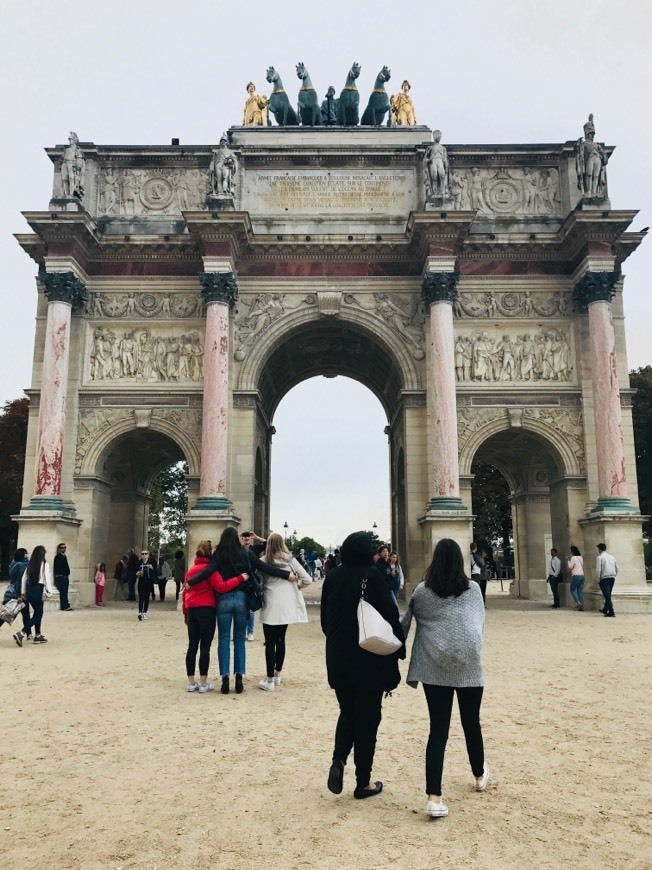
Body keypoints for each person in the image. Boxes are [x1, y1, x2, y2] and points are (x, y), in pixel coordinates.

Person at [401, 538, 489, 818]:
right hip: (468, 664)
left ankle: (434, 797)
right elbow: (479, 624)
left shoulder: (422, 591)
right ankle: (478, 774)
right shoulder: (473, 589)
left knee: (438, 730)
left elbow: (404, 626)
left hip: (434, 666)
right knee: (471, 722)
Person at [321, 531, 405, 800]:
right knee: (368, 720)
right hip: (368, 658)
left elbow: (325, 620)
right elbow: (390, 616)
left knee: (347, 712)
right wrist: (399, 647)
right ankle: (363, 782)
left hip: (338, 658)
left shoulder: (332, 576)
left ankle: (338, 760)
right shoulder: (373, 574)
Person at [186, 526, 296, 695]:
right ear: (236, 539)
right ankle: (238, 678)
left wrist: (191, 582)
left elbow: (208, 571)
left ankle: (224, 678)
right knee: (239, 640)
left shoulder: (219, 555)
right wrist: (286, 575)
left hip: (223, 600)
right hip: (241, 600)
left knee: (223, 640)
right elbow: (265, 567)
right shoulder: (246, 553)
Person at [182, 540, 248, 693]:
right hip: (206, 609)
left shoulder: (191, 570)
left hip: (192, 609)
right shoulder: (210, 570)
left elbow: (185, 592)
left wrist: (185, 612)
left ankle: (191, 682)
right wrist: (239, 578)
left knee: (192, 646)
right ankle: (203, 683)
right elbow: (221, 586)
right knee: (205, 647)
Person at [257, 533, 312, 692]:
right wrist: (297, 585)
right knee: (281, 639)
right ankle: (277, 674)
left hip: (271, 602)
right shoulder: (291, 560)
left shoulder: (263, 561)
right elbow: (307, 579)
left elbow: (258, 581)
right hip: (287, 603)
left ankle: (269, 680)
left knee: (270, 642)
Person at [13, 545, 53, 646]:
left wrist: (23, 593)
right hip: (38, 589)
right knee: (38, 613)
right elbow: (47, 578)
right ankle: (22, 633)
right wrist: (49, 591)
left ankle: (38, 635)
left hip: (29, 589)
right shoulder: (45, 564)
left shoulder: (30, 564)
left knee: (37, 612)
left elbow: (24, 579)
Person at [240, 531, 266, 640]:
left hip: (252, 580)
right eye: (244, 536)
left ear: (251, 538)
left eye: (248, 536)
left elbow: (268, 543)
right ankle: (241, 632)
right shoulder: (237, 548)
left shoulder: (255, 549)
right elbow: (226, 545)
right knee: (240, 607)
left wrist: (256, 537)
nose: (246, 538)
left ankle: (250, 632)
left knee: (250, 607)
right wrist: (237, 537)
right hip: (240, 579)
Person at [3, 548, 31, 638]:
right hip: (18, 592)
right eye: (26, 554)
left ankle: (29, 633)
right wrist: (20, 594)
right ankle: (28, 633)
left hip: (11, 590)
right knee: (24, 613)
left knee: (7, 613)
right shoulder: (22, 566)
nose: (27, 555)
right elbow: (20, 581)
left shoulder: (13, 563)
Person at [596, 543, 617, 617]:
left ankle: (611, 611)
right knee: (608, 595)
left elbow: (598, 570)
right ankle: (605, 609)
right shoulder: (612, 557)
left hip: (604, 578)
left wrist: (598, 579)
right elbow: (616, 568)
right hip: (612, 577)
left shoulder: (599, 558)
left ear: (600, 549)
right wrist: (614, 575)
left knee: (607, 596)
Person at [136, 549, 157, 621]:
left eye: (146, 554)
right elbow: (135, 572)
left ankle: (145, 612)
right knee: (141, 596)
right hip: (141, 581)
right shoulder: (139, 562)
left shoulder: (152, 562)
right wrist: (137, 573)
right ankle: (140, 613)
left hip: (149, 581)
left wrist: (152, 568)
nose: (144, 555)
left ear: (148, 555)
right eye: (142, 554)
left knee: (147, 597)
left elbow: (157, 571)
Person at [53, 542, 73, 611]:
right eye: (62, 548)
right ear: (59, 549)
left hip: (64, 576)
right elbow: (58, 568)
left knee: (65, 592)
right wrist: (65, 573)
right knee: (63, 592)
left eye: (65, 548)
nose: (64, 549)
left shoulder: (64, 556)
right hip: (61, 576)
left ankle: (66, 605)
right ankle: (65, 606)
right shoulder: (58, 556)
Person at [567, 546, 585, 611]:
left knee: (572, 589)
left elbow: (570, 567)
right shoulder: (581, 557)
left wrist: (568, 560)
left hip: (576, 575)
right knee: (580, 591)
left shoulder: (573, 558)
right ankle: (582, 605)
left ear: (572, 552)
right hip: (582, 575)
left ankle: (578, 602)